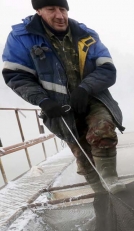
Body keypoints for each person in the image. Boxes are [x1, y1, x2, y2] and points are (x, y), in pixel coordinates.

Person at [2, 0, 125, 194]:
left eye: (62, 9)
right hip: (58, 107)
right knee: (82, 154)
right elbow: (16, 75)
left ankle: (112, 182)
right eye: (51, 9)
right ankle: (100, 194)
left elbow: (107, 69)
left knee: (103, 130)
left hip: (92, 98)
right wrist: (43, 101)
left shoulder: (87, 35)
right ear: (38, 11)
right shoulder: (21, 38)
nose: (59, 15)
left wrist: (85, 88)